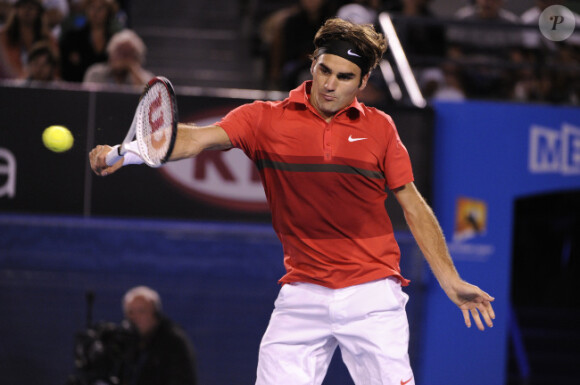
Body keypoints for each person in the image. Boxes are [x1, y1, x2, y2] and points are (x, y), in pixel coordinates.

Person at [90, 18, 496, 385]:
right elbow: (196, 138)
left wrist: (450, 279)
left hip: (372, 294)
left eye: (344, 76)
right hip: (302, 292)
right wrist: (129, 150)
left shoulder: (381, 129)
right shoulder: (263, 119)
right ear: (312, 63)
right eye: (324, 70)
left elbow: (413, 205)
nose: (330, 84)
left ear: (363, 80)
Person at [446, 0, 523, 99]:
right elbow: (454, 51)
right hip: (468, 69)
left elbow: (515, 56)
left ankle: (508, 107)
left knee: (522, 72)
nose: (488, 2)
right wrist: (472, 64)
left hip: (499, 72)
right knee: (450, 67)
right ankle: (461, 103)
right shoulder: (463, 18)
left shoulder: (511, 22)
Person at [121, 286, 198, 385]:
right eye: (130, 312)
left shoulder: (173, 342)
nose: (135, 317)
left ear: (155, 313)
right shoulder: (127, 342)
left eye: (141, 311)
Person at [59, 0, 122, 82]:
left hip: (107, 90)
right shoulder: (72, 38)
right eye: (92, 7)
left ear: (108, 12)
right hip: (77, 89)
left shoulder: (115, 40)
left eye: (100, 8)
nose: (95, 12)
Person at [0, 0, 56, 79]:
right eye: (24, 6)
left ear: (38, 11)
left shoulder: (49, 40)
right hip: (7, 87)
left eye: (32, 7)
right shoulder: (2, 37)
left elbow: (55, 70)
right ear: (16, 9)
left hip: (41, 87)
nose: (28, 10)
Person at [83, 29, 153, 86]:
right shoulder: (96, 74)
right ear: (111, 52)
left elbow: (149, 98)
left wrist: (133, 70)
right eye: (119, 52)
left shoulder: (146, 79)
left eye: (127, 54)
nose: (122, 58)